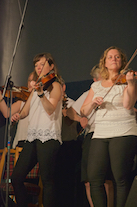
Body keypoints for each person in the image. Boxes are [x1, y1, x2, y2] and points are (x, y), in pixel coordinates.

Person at [81, 46, 137, 207]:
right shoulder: (96, 86)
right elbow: (84, 111)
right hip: (101, 133)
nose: (114, 59)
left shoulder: (127, 80)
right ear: (104, 62)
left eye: (117, 57)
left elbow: (128, 105)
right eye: (110, 57)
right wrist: (92, 103)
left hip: (124, 131)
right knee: (94, 178)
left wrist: (132, 84)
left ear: (122, 61)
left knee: (120, 178)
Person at [10, 52, 63, 207]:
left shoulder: (55, 85)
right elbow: (25, 111)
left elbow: (50, 109)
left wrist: (41, 93)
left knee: (47, 180)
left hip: (49, 137)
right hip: (32, 137)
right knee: (16, 178)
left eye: (42, 64)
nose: (38, 67)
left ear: (51, 66)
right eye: (36, 65)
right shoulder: (34, 88)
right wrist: (17, 115)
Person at [66, 64, 101, 207]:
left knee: (106, 179)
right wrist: (80, 119)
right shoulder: (89, 93)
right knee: (88, 179)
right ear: (94, 80)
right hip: (91, 136)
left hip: (106, 134)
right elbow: (69, 111)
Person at [0, 72, 35, 148]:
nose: (30, 83)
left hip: (35, 140)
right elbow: (6, 113)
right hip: (21, 141)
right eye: (29, 80)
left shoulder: (41, 100)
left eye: (33, 80)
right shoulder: (21, 102)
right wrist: (0, 98)